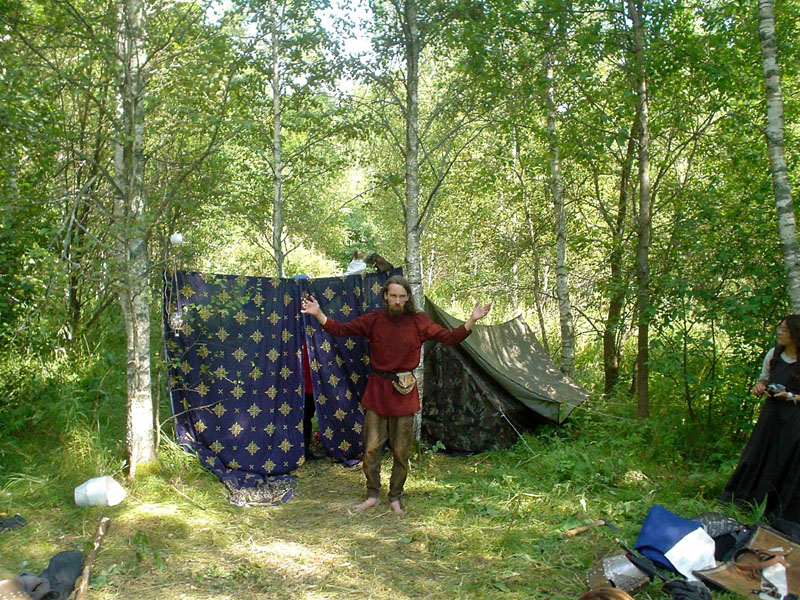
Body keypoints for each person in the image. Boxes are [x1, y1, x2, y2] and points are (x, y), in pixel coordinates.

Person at [301, 275, 491, 515]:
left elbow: (450, 338)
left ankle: (395, 497)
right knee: (371, 449)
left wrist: (472, 320)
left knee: (401, 452)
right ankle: (372, 494)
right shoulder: (374, 319)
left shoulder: (419, 321)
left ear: (408, 297)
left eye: (402, 296)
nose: (398, 301)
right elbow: (340, 329)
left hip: (404, 393)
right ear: (385, 296)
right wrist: (318, 313)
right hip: (378, 392)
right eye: (393, 296)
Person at [721, 314, 800, 522]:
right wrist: (759, 386)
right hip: (770, 416)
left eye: (785, 329)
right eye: (780, 328)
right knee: (757, 455)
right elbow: (763, 380)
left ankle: (776, 513)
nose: (780, 332)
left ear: (796, 334)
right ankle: (742, 502)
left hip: (794, 421)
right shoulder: (774, 354)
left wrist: (790, 396)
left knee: (784, 462)